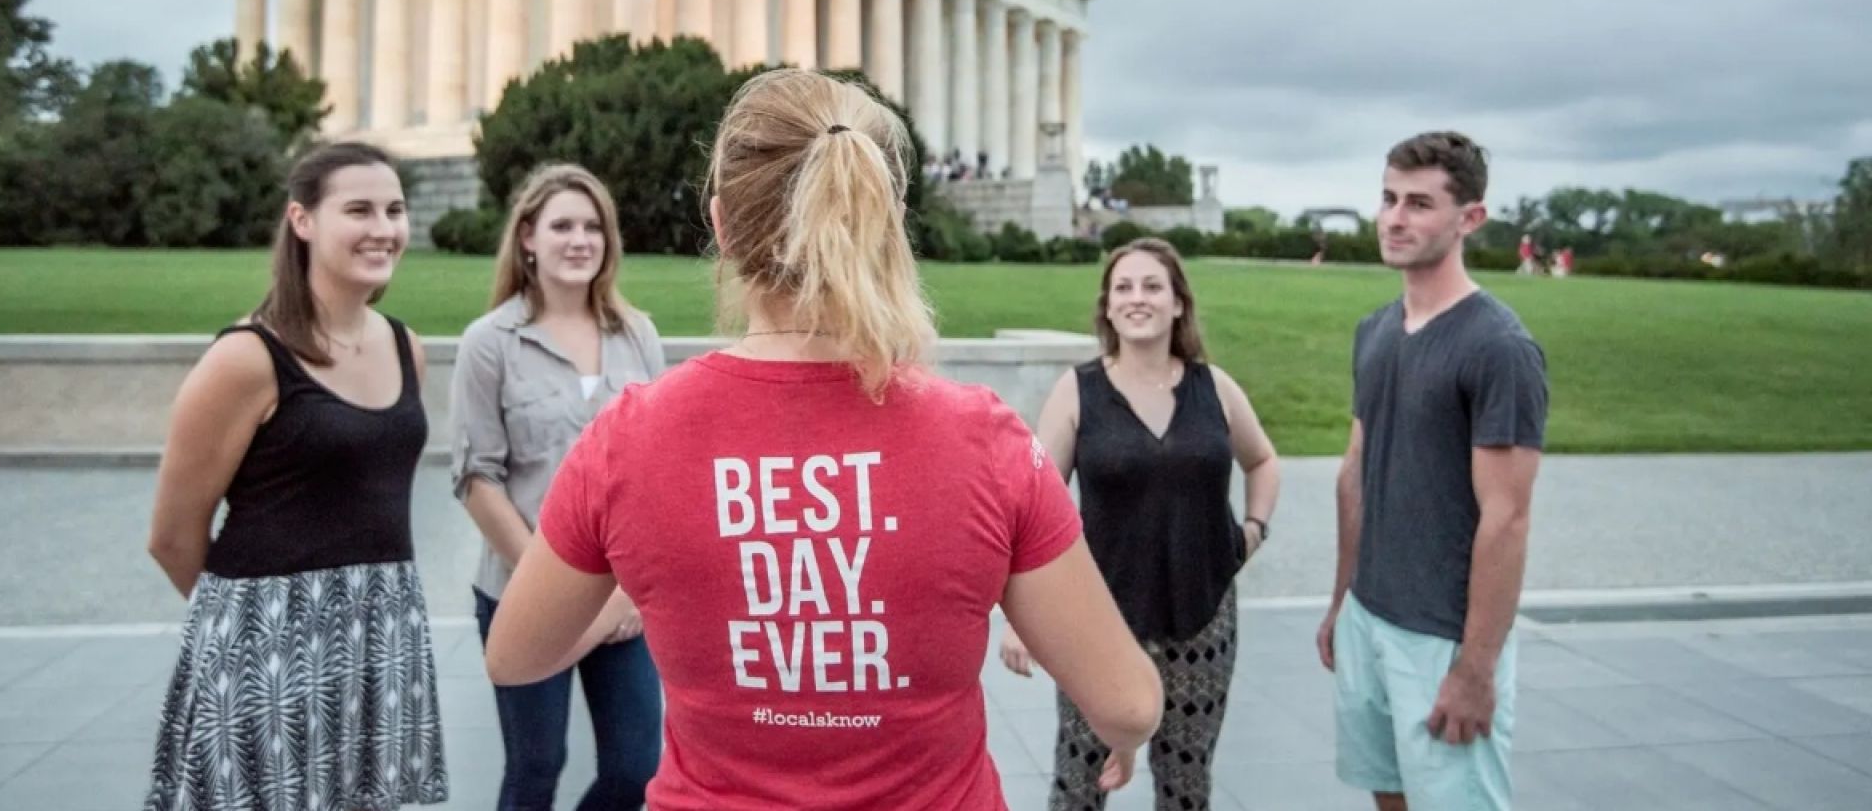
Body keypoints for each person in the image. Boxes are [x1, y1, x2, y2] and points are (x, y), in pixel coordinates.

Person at [483, 69, 1163, 810]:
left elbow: (517, 654)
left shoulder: (630, 437)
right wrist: (1125, 736)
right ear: (887, 216)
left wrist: (652, 592)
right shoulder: (983, 438)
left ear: (720, 224)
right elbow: (1127, 702)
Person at [144, 141, 447, 810]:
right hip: (268, 652)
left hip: (381, 637)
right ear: (302, 220)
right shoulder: (246, 358)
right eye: (359, 209)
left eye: (394, 210)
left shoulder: (406, 348)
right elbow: (171, 536)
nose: (383, 228)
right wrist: (260, 632)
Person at [1000, 237, 1283, 811]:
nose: (1137, 298)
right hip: (1097, 621)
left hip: (1203, 620)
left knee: (1186, 782)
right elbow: (1033, 499)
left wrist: (1254, 528)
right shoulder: (1078, 391)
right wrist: (1019, 617)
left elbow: (1264, 460)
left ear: (1178, 303)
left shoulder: (1215, 388)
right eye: (1123, 288)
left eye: (1153, 286)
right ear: (1107, 307)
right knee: (1080, 779)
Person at [1317, 132, 1549, 811]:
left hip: (1441, 638)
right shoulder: (1376, 330)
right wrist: (1342, 602)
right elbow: (1356, 474)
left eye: (1420, 203)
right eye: (1388, 198)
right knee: (1386, 794)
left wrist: (1476, 669)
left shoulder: (1498, 347)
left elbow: (1507, 519)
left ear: (1469, 218)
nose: (1395, 217)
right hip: (1369, 615)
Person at [451, 163, 668, 810]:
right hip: (521, 588)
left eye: (593, 226)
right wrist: (547, 575)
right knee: (536, 767)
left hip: (620, 600)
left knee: (636, 770)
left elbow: (655, 471)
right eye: (563, 226)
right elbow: (475, 476)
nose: (580, 240)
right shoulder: (489, 342)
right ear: (527, 239)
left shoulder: (638, 335)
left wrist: (632, 589)